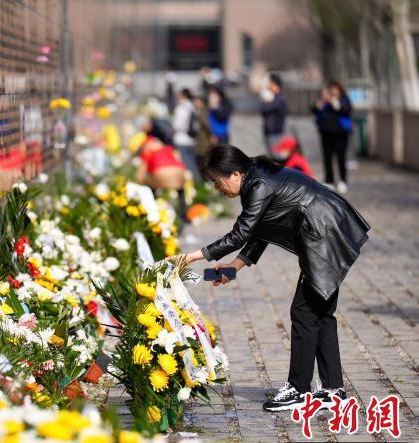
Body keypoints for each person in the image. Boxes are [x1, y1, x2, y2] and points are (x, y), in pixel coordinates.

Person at [170, 144, 370, 412]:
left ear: (235, 174)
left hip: (325, 233)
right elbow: (261, 230)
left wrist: (193, 256)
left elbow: (241, 233)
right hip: (328, 228)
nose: (218, 189)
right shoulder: (256, 178)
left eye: (217, 182)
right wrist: (233, 267)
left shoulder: (258, 184)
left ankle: (298, 390)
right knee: (320, 312)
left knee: (305, 312)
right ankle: (333, 391)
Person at [135, 134, 187, 223]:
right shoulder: (167, 148)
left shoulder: (149, 152)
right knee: (180, 191)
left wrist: (137, 183)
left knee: (150, 186)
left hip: (160, 173)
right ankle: (183, 214)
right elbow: (178, 159)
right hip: (178, 172)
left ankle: (152, 211)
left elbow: (141, 172)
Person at [312, 80, 353, 194]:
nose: (333, 91)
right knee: (327, 158)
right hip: (326, 134)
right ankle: (329, 180)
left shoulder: (344, 100)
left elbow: (344, 109)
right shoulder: (324, 102)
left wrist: (333, 102)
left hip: (340, 134)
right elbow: (315, 110)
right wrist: (320, 104)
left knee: (341, 158)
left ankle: (343, 181)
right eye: (332, 89)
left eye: (336, 89)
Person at [172, 89, 201, 183]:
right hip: (191, 139)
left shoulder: (181, 107)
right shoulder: (192, 106)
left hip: (181, 139)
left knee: (186, 164)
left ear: (183, 95)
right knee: (192, 163)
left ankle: (194, 184)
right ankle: (198, 184)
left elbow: (177, 125)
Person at [260, 73, 288, 154]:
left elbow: (264, 109)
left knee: (276, 158)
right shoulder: (275, 98)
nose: (268, 86)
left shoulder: (279, 99)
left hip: (276, 133)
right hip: (272, 132)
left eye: (270, 83)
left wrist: (265, 101)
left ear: (276, 84)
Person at [193, 96, 212, 174]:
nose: (194, 103)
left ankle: (204, 179)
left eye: (196, 101)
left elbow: (206, 124)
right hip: (202, 139)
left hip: (204, 140)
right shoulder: (201, 110)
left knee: (202, 160)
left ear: (201, 102)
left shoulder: (203, 111)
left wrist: (212, 135)